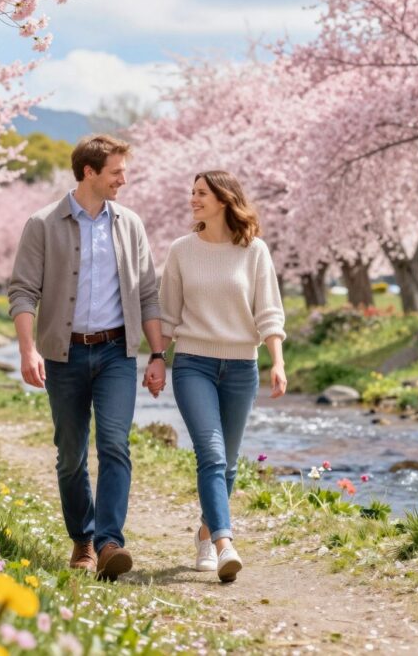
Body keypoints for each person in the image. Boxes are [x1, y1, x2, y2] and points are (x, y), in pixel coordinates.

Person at [8, 134, 164, 582]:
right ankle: (83, 538)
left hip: (117, 352)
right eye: (116, 171)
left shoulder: (130, 224)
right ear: (89, 172)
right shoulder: (43, 224)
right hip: (64, 354)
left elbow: (148, 294)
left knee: (115, 444)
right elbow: (22, 290)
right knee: (71, 453)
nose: (124, 178)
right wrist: (27, 348)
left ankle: (110, 542)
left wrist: (157, 354)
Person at [145, 170, 286, 583]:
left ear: (224, 199)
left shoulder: (254, 251)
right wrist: (157, 357)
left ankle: (205, 532)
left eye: (201, 193)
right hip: (193, 364)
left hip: (242, 366)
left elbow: (269, 311)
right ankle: (225, 543)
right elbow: (167, 313)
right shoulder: (181, 251)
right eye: (191, 192)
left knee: (228, 466)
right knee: (212, 453)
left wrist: (276, 362)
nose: (193, 199)